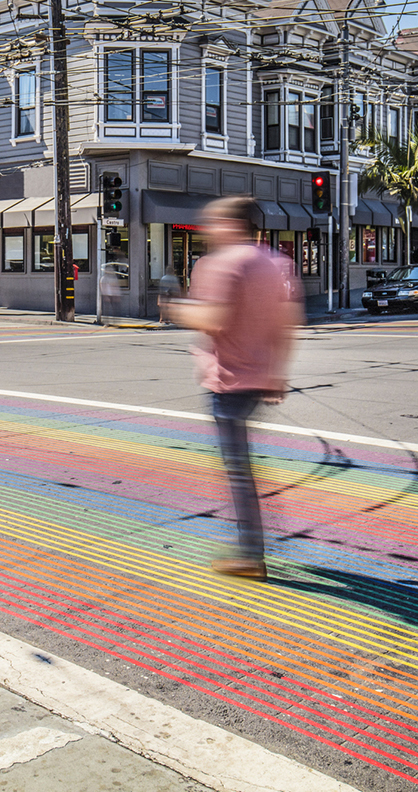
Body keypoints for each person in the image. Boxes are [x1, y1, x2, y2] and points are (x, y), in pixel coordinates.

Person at [162, 196, 301, 581]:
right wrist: (276, 374)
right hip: (258, 378)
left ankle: (250, 553)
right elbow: (287, 323)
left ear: (232, 224)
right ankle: (252, 545)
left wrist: (176, 309)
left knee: (238, 470)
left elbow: (214, 318)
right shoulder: (274, 263)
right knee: (243, 467)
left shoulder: (223, 263)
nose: (210, 229)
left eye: (215, 221)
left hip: (228, 380)